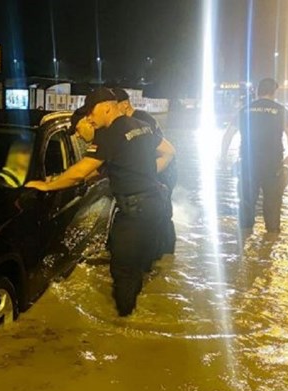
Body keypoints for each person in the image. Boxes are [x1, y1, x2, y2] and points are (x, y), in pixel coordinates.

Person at [26, 88, 176, 317]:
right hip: (157, 204)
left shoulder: (110, 133)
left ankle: (124, 328)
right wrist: (146, 173)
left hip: (135, 211)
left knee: (123, 270)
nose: (90, 118)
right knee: (144, 264)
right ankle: (143, 311)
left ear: (106, 107)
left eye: (91, 112)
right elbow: (169, 152)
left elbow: (80, 172)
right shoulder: (139, 125)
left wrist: (47, 185)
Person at [220, 78, 288, 234]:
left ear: (257, 91)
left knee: (246, 203)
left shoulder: (245, 110)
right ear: (274, 93)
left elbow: (228, 134)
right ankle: (271, 239)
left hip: (248, 165)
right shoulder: (281, 110)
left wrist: (223, 156)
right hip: (273, 166)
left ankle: (244, 237)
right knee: (273, 204)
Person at [112, 87, 176, 254]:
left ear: (125, 105)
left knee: (161, 216)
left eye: (113, 106)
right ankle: (163, 258)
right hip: (161, 168)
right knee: (161, 215)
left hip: (161, 170)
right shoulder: (141, 117)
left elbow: (151, 152)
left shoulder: (138, 121)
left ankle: (160, 255)